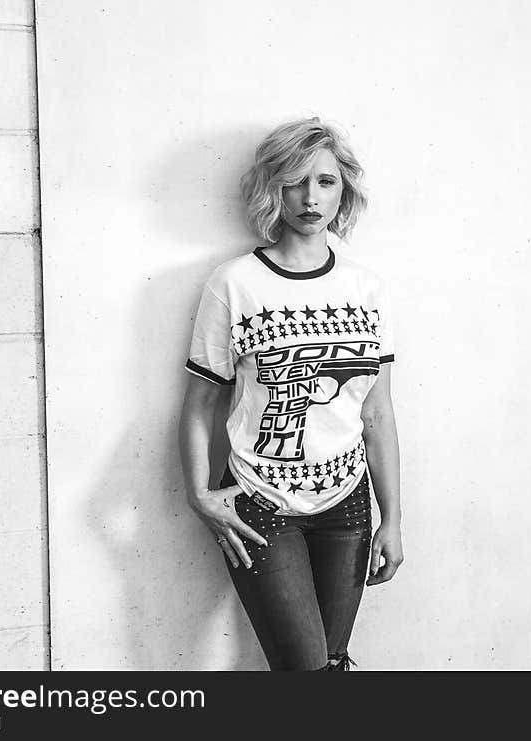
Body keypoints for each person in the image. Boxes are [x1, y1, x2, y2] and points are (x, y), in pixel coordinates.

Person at [179, 118, 402, 671]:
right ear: (273, 189)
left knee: (333, 661)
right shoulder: (234, 283)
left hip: (347, 501)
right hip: (260, 502)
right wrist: (198, 494)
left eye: (325, 182)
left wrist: (392, 516)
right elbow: (199, 405)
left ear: (343, 189)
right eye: (294, 182)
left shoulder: (366, 289)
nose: (310, 198)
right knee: (305, 670)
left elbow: (376, 413)